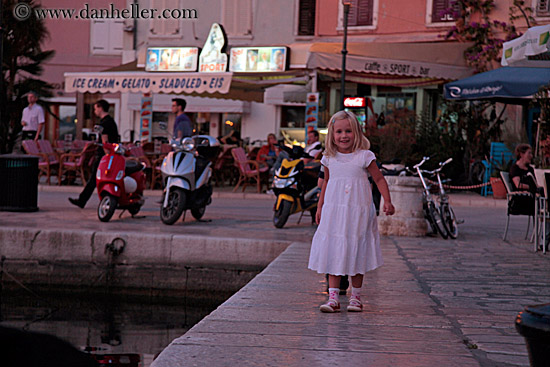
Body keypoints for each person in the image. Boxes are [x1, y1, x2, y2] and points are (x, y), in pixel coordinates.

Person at [308, 110, 395, 313]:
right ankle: (333, 297)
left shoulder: (364, 156)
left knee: (357, 249)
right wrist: (320, 207)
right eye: (339, 132)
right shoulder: (329, 157)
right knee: (334, 250)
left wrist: (387, 201)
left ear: (357, 132)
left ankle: (355, 297)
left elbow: (379, 179)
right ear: (332, 134)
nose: (344, 136)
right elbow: (326, 182)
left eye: (348, 131)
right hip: (334, 211)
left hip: (358, 212)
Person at [68, 100, 119, 209]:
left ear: (100, 108)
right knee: (94, 179)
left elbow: (105, 141)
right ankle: (82, 200)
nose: (95, 111)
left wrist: (107, 156)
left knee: (94, 178)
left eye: (95, 108)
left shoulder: (104, 123)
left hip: (104, 156)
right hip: (111, 155)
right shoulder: (111, 121)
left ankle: (82, 200)